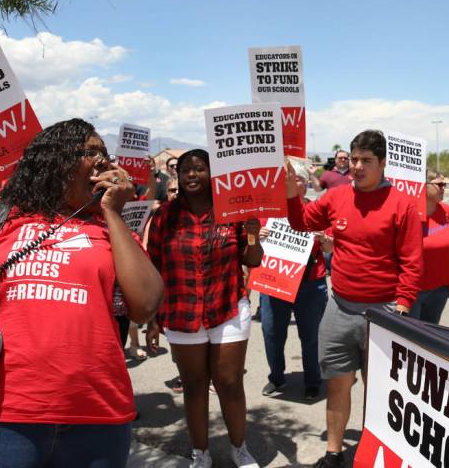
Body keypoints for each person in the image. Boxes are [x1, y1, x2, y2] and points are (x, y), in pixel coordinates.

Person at [0, 118, 163, 467]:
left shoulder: (110, 226)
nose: (104, 161)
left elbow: (146, 305)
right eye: (91, 152)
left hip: (95, 412)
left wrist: (113, 214)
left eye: (105, 153)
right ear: (55, 160)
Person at [286, 130, 422, 468]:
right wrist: (291, 195)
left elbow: (412, 261)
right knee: (337, 383)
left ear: (383, 163)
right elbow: (301, 222)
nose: (358, 167)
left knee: (381, 392)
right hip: (340, 307)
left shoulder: (402, 203)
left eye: (366, 161)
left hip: (387, 312)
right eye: (355, 159)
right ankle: (334, 453)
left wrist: (402, 306)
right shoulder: (336, 197)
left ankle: (376, 454)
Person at [145, 149, 263, 468]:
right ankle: (201, 453)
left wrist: (252, 234)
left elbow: (252, 260)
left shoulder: (233, 212)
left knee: (229, 382)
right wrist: (154, 319)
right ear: (178, 176)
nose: (192, 175)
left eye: (200, 169)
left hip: (228, 307)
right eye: (186, 170)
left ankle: (239, 448)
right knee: (195, 385)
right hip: (182, 312)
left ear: (214, 174)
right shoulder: (164, 216)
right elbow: (153, 266)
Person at [259, 164, 332, 400]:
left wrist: (324, 239)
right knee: (272, 334)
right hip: (274, 282)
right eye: (283, 180)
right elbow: (249, 242)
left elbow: (331, 244)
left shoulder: (317, 210)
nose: (288, 184)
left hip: (310, 284)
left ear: (304, 183)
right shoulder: (267, 211)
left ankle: (313, 380)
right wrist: (255, 236)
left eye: (293, 179)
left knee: (311, 336)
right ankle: (276, 377)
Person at [410, 171, 449, 323]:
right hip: (414, 290)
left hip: (440, 289)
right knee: (412, 338)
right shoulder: (411, 213)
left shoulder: (446, 210)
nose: (443, 188)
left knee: (430, 336)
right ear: (423, 186)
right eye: (439, 184)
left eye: (444, 184)